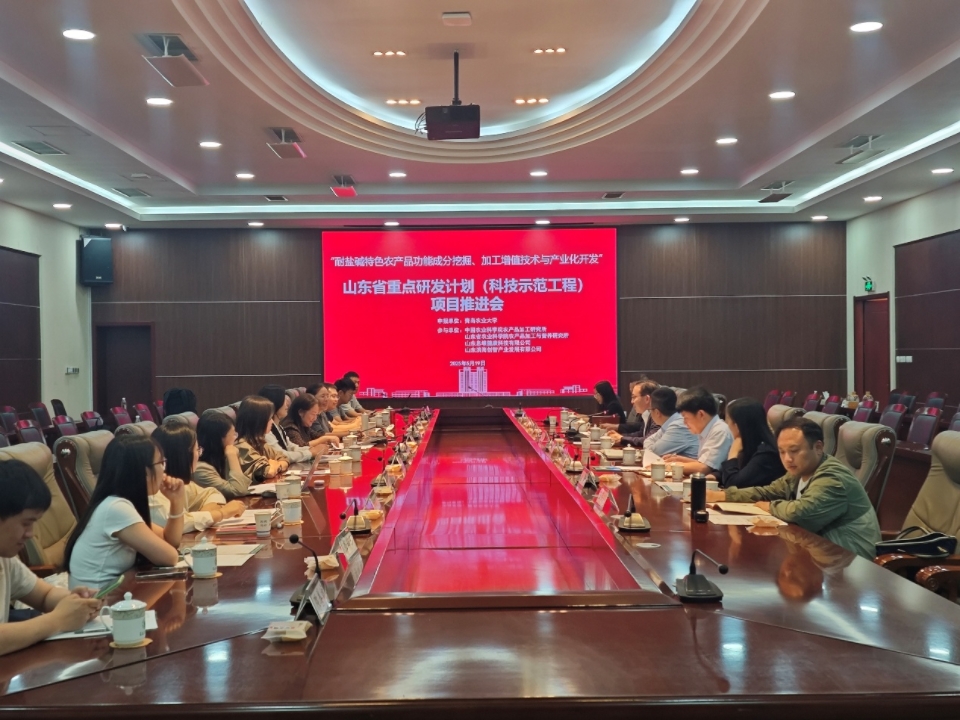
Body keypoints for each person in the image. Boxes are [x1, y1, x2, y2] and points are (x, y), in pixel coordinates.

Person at [707, 417, 882, 559]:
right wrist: (722, 496)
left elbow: (801, 513)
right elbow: (768, 491)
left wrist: (770, 506)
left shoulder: (832, 477)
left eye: (794, 450)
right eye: (782, 452)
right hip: (820, 555)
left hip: (849, 563)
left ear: (818, 448)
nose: (787, 459)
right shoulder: (800, 471)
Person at [0, 460, 102, 655]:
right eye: (26, 523)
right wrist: (58, 620)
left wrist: (77, 604)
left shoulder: (5, 559)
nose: (30, 534)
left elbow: (44, 595)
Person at [66, 435, 183, 589]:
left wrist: (176, 502)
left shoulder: (119, 504)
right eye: (161, 463)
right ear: (144, 471)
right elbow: (170, 557)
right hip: (99, 600)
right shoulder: (116, 508)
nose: (164, 469)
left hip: (115, 593)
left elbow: (170, 540)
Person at [151, 424, 245, 531]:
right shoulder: (153, 492)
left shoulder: (181, 483)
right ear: (183, 455)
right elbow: (179, 525)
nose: (199, 455)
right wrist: (221, 513)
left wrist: (204, 516)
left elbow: (212, 493)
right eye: (197, 450)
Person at [662, 386, 733, 475]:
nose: (684, 423)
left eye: (686, 418)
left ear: (701, 414)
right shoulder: (708, 428)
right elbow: (704, 463)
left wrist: (667, 466)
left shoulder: (720, 431)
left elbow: (703, 468)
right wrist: (679, 459)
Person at [717, 398, 785, 489]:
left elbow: (733, 485)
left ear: (737, 427)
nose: (727, 426)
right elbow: (733, 471)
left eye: (728, 422)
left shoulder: (767, 454)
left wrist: (733, 454)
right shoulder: (751, 445)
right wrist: (715, 475)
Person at [193, 411, 252, 500]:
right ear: (219, 439)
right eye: (233, 435)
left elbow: (246, 482)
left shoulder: (221, 457)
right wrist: (232, 457)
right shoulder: (200, 470)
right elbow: (239, 491)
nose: (236, 439)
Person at [631, 387, 699, 457]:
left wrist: (651, 447)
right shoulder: (669, 423)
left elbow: (654, 452)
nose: (650, 413)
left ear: (657, 413)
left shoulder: (679, 426)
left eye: (650, 410)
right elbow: (647, 440)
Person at [234, 396, 288, 483]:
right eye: (269, 418)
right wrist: (273, 465)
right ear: (258, 421)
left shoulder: (259, 442)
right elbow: (269, 472)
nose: (272, 422)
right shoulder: (242, 446)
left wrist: (277, 465)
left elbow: (284, 458)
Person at [258, 385, 317, 463]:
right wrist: (310, 453)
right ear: (275, 403)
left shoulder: (278, 426)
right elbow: (282, 455)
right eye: (284, 400)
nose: (287, 404)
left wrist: (311, 449)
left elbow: (290, 447)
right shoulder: (266, 431)